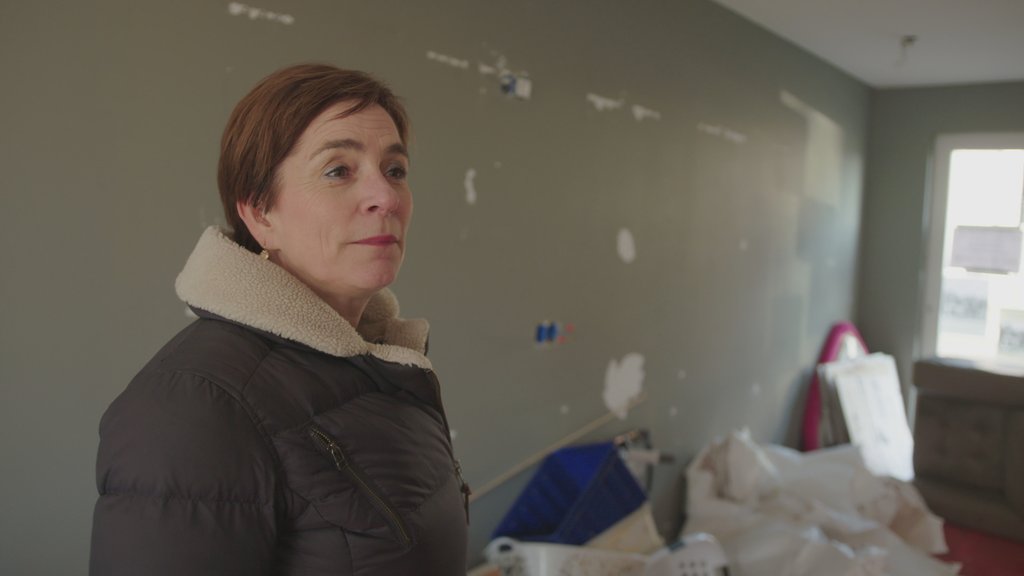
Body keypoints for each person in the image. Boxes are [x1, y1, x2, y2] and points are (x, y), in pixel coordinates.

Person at [90, 64, 470, 575]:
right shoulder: (194, 405)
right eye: (338, 170)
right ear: (259, 213)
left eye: (395, 170)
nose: (385, 197)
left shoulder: (381, 362)